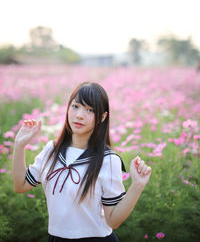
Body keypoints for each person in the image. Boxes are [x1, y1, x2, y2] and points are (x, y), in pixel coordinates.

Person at [12, 82, 152, 242]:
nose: (79, 115)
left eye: (90, 110)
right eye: (75, 106)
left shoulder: (108, 160)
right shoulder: (51, 150)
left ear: (102, 117)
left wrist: (137, 186)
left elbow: (113, 221)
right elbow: (20, 186)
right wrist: (20, 145)